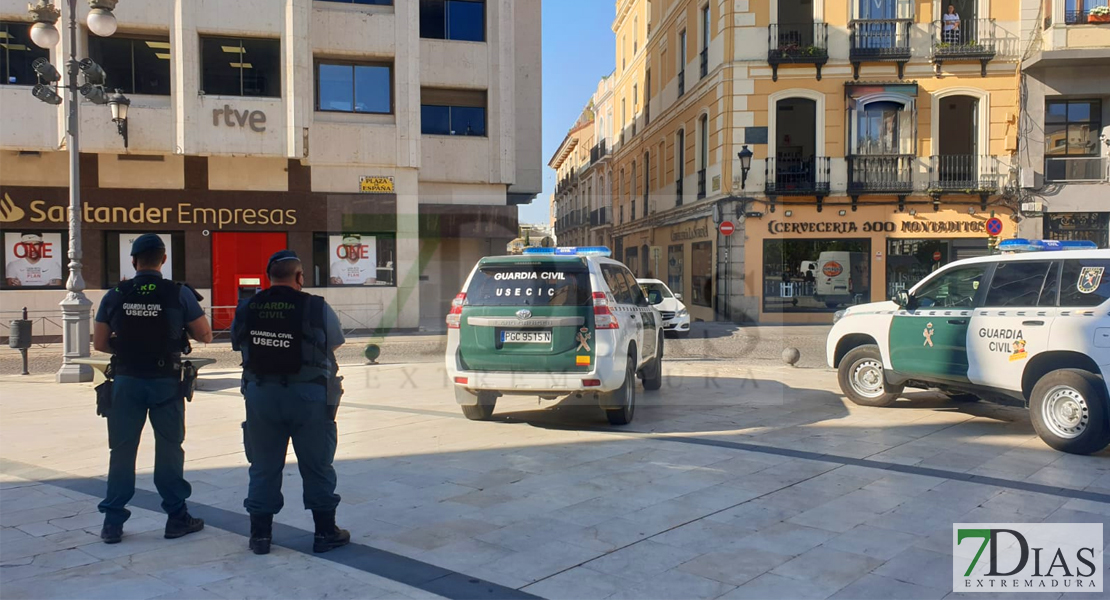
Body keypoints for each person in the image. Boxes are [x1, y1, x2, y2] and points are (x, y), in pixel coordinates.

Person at [92, 233, 213, 544]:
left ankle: (113, 522)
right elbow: (206, 336)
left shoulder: (116, 293)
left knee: (121, 452)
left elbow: (101, 343)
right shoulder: (178, 293)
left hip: (127, 382)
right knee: (169, 450)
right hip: (165, 383)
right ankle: (176, 518)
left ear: (134, 261)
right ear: (163, 260)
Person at [232, 250, 349, 555]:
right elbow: (334, 341)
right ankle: (325, 533)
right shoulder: (315, 306)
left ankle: (260, 536)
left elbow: (238, 343)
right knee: (317, 464)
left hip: (261, 396)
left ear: (269, 277)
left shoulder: (248, 306)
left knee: (263, 466)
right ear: (300, 277)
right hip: (309, 397)